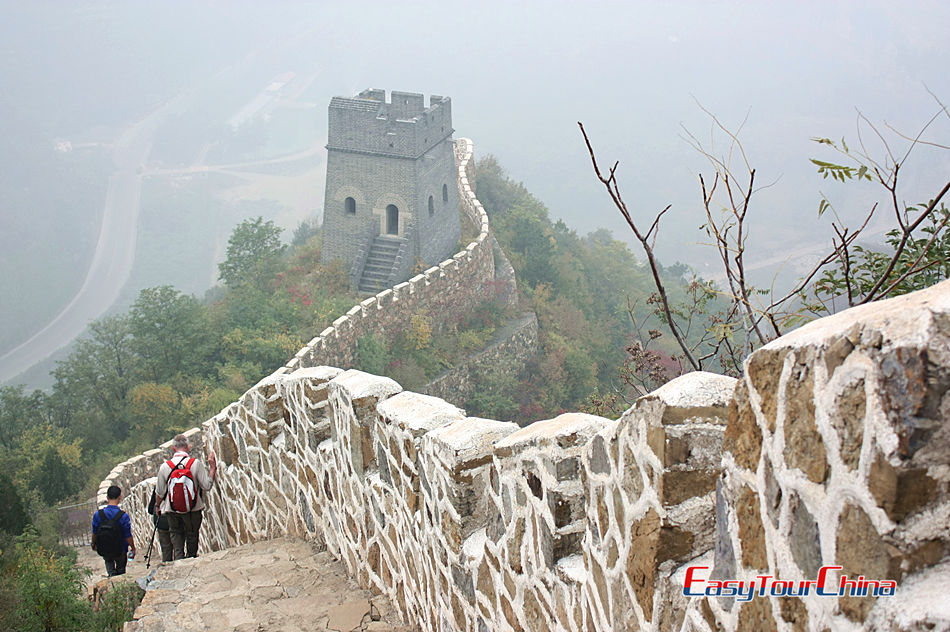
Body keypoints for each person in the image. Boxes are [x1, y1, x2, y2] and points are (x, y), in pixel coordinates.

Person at [155, 434, 216, 560]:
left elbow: (160, 493)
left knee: (176, 534)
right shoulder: (196, 464)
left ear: (173, 448)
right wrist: (212, 469)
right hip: (193, 509)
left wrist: (157, 506)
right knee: (192, 535)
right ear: (188, 447)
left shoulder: (165, 467)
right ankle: (191, 559)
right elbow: (206, 486)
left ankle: (179, 560)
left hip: (172, 510)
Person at [91, 485, 135, 576]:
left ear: (107, 497)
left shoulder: (98, 515)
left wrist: (93, 543)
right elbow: (128, 535)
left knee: (109, 567)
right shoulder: (123, 516)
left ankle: (111, 579)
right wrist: (133, 548)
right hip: (120, 549)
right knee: (121, 572)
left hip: (105, 548)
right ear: (120, 497)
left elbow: (94, 532)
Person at [147, 490, 172, 563]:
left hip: (162, 522)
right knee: (178, 547)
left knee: (166, 548)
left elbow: (150, 510)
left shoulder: (158, 488)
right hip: (177, 519)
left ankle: (167, 566)